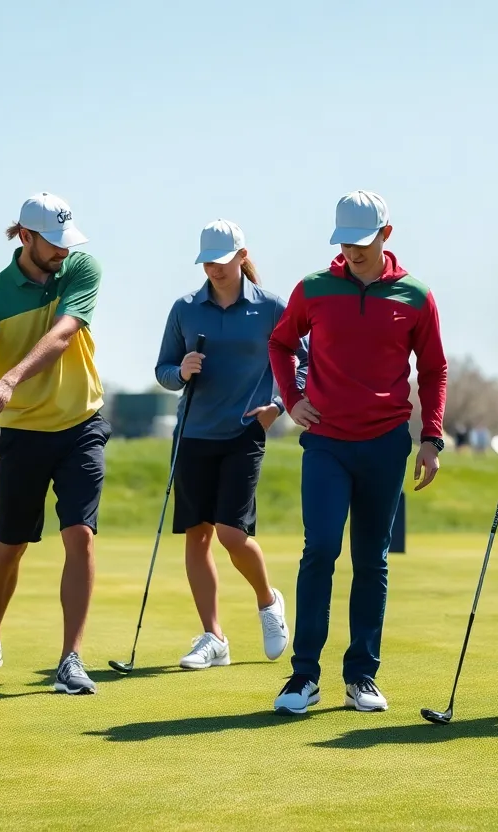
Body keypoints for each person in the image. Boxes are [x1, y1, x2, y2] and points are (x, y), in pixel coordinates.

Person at [268, 190, 448, 715]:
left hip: (386, 445)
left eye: (364, 243)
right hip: (325, 442)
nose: (354, 252)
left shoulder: (415, 295)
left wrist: (431, 438)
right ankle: (303, 676)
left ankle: (361, 677)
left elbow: (434, 369)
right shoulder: (315, 289)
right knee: (320, 548)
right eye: (346, 243)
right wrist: (292, 399)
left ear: (386, 235)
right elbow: (281, 343)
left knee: (372, 559)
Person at [0, 192, 111, 696]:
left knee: (79, 535)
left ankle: (71, 657)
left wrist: (11, 380)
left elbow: (65, 333)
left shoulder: (82, 268)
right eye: (53, 242)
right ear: (25, 237)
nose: (63, 251)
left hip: (81, 423)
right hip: (23, 434)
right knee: (11, 542)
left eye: (68, 240)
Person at [154, 219, 308, 670]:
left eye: (222, 262)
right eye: (207, 263)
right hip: (193, 434)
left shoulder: (273, 307)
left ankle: (267, 600)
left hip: (244, 433)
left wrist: (278, 406)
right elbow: (162, 370)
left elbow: (302, 361)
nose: (214, 270)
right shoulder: (185, 308)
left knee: (232, 534)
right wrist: (180, 371)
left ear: (242, 257)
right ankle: (213, 637)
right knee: (197, 536)